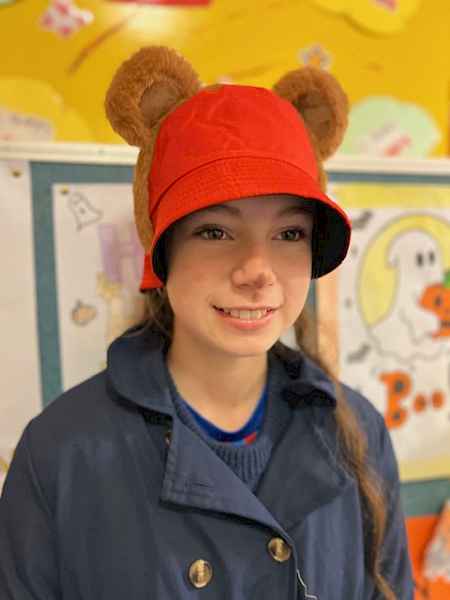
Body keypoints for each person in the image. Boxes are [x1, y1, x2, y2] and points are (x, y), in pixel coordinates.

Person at [0, 47, 413, 599]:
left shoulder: (356, 433)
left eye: (289, 233)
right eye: (215, 231)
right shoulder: (61, 452)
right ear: (161, 247)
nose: (257, 271)